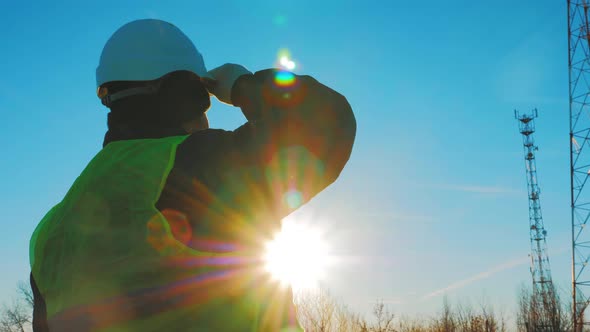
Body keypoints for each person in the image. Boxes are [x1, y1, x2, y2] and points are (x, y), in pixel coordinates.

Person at [29, 18, 356, 331]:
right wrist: (242, 85)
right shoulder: (191, 165)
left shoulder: (52, 230)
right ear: (182, 97)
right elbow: (325, 123)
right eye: (204, 101)